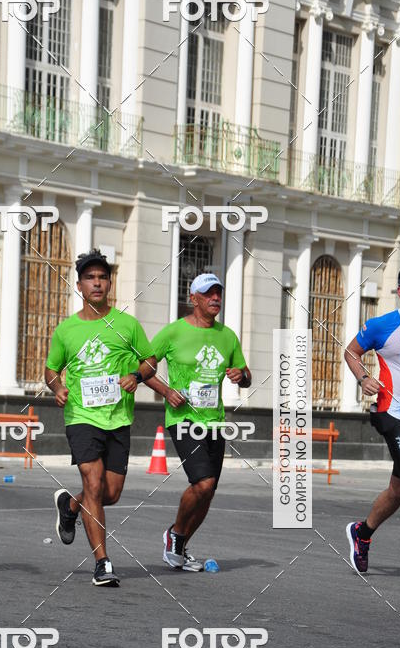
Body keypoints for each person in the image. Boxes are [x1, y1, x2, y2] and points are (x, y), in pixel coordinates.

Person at [45, 249, 157, 587]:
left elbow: (150, 360)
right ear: (79, 285)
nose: (97, 282)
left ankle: (70, 504)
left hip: (118, 419)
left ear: (109, 284)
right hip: (81, 417)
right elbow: (51, 370)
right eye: (90, 278)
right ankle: (102, 563)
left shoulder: (127, 324)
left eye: (102, 277)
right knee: (93, 484)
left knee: (109, 494)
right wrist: (57, 388)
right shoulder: (66, 330)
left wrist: (136, 377)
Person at [144, 273, 251, 571]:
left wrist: (241, 376)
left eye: (218, 293)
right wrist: (167, 392)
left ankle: (179, 541)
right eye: (208, 293)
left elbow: (246, 374)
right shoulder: (173, 332)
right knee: (202, 483)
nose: (215, 298)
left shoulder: (227, 336)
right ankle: (175, 534)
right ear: (194, 299)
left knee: (209, 491)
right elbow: (142, 368)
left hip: (214, 421)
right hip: (183, 418)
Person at [344, 265, 400, 573]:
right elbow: (351, 353)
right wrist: (363, 378)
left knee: (398, 489)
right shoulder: (383, 325)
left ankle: (362, 533)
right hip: (391, 411)